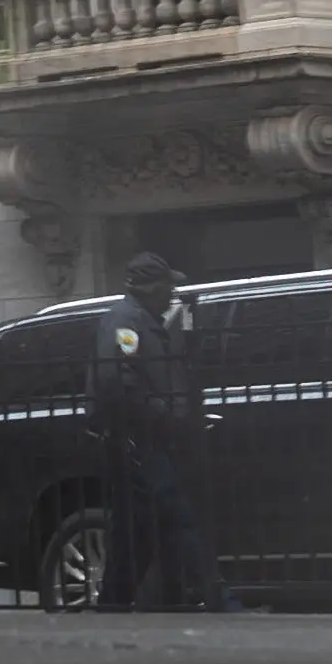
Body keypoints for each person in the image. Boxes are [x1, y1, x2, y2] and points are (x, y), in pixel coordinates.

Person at [87, 251, 217, 612]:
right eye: (167, 287)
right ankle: (218, 598)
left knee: (138, 531)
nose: (172, 295)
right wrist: (163, 414)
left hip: (146, 439)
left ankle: (114, 602)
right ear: (152, 287)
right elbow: (119, 382)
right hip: (136, 439)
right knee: (179, 517)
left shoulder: (145, 320)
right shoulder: (125, 322)